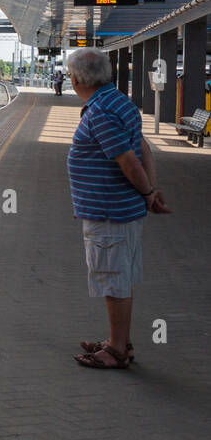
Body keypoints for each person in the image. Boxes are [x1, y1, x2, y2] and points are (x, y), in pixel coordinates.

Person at [66, 47, 170, 369]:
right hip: (121, 211)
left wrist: (149, 191)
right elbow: (144, 149)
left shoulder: (99, 112)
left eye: (70, 74)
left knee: (113, 281)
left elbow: (127, 161)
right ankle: (119, 341)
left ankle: (116, 352)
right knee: (119, 280)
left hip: (110, 214)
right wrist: (149, 193)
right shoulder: (119, 102)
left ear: (78, 78)